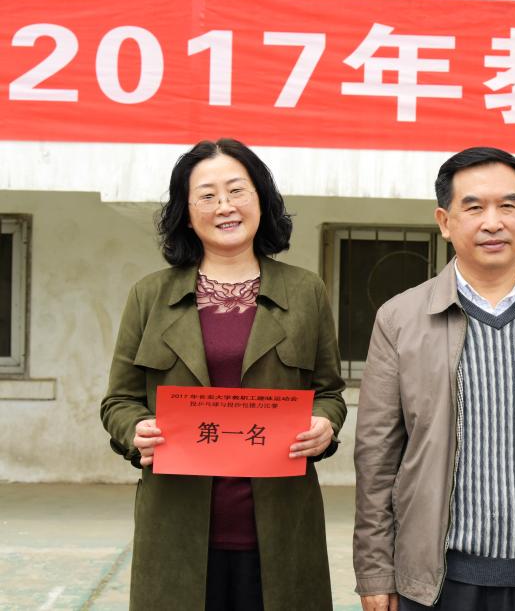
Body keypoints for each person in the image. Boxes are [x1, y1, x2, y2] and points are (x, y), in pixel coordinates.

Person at [353, 147, 515, 611]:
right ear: (444, 221)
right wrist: (375, 570)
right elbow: (376, 459)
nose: (493, 223)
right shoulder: (399, 319)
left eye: (507, 206)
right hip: (434, 579)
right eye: (473, 207)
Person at [100, 138, 346, 610]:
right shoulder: (149, 296)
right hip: (176, 527)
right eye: (207, 196)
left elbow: (328, 391)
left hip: (281, 526)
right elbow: (119, 402)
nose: (225, 206)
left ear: (261, 200)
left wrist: (326, 423)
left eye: (237, 191)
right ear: (186, 214)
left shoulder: (305, 291)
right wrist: (136, 429)